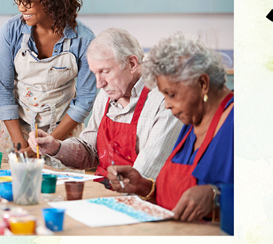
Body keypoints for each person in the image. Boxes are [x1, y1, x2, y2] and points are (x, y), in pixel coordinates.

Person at [106, 33, 233, 224]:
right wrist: (143, 186)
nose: (166, 104)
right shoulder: (190, 123)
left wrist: (216, 197)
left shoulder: (237, 122)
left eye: (171, 94)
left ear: (202, 84)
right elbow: (179, 196)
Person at [27, 28, 182, 180]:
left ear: (132, 63)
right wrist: (56, 147)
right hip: (105, 187)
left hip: (139, 194)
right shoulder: (108, 94)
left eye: (105, 72)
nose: (99, 84)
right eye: (95, 73)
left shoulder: (165, 100)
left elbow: (144, 175)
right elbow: (90, 151)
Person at [0, 0, 96, 161]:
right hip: (17, 131)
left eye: (28, 2)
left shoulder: (83, 39)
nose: (21, 8)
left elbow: (84, 100)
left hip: (64, 136)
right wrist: (21, 145)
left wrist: (52, 143)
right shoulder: (11, 31)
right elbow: (3, 90)